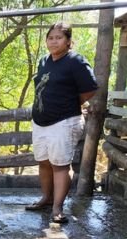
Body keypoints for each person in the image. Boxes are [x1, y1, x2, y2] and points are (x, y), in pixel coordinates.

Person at [27, 21, 98, 224]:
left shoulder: (75, 61)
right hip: (41, 121)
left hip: (64, 121)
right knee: (44, 162)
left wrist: (73, 102)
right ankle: (46, 199)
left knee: (60, 164)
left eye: (59, 37)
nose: (54, 41)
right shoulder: (43, 61)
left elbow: (90, 88)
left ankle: (58, 208)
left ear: (68, 41)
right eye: (50, 38)